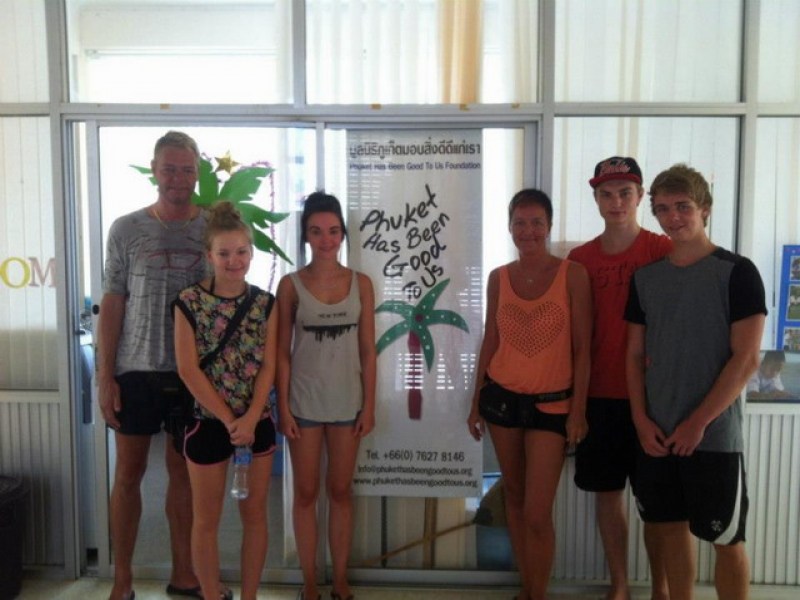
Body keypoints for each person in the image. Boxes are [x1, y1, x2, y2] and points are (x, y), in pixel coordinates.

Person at [625, 164, 766, 600]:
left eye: (683, 206)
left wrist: (698, 422)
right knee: (669, 530)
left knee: (726, 539)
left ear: (704, 209)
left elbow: (746, 359)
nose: (673, 217)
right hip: (658, 434)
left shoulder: (737, 272)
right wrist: (641, 421)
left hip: (714, 436)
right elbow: (633, 356)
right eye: (663, 209)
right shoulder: (646, 279)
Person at [96, 131, 207, 600]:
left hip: (192, 374)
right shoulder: (126, 229)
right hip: (135, 371)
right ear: (155, 171)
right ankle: (122, 580)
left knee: (184, 475)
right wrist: (104, 376)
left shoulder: (213, 229)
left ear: (197, 173)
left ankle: (185, 575)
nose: (178, 178)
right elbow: (113, 302)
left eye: (186, 169)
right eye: (169, 169)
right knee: (128, 474)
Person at [467, 189, 592, 600]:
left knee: (538, 513)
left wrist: (578, 411)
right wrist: (475, 401)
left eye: (537, 222)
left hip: (552, 405)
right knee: (516, 501)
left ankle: (538, 593)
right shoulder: (499, 278)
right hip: (502, 400)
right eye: (520, 223)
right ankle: (528, 589)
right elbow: (490, 340)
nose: (528, 231)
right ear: (509, 228)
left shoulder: (573, 275)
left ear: (549, 226)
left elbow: (583, 349)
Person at [568, 156, 672, 600]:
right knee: (607, 494)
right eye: (606, 194)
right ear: (595, 199)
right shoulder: (579, 259)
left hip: (654, 398)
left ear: (640, 196)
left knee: (658, 503)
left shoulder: (662, 249)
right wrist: (575, 405)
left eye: (625, 193)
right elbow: (573, 337)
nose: (616, 202)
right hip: (600, 395)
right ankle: (620, 585)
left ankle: (661, 589)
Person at [174, 201, 278, 600]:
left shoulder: (266, 304)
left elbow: (269, 366)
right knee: (206, 521)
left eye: (241, 252)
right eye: (224, 253)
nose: (234, 261)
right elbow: (188, 370)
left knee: (255, 517)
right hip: (207, 422)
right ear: (209, 255)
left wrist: (249, 419)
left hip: (256, 423)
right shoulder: (188, 302)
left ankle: (249, 595)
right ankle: (212, 594)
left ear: (251, 253)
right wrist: (229, 419)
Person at [276, 191, 377, 600]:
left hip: (347, 404)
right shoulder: (290, 285)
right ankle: (309, 583)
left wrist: (369, 406)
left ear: (343, 235)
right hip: (303, 405)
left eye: (333, 231)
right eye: (316, 231)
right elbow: (281, 353)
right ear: (305, 235)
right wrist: (283, 407)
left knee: (340, 492)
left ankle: (339, 581)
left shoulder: (361, 284)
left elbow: (368, 351)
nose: (326, 239)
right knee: (305, 494)